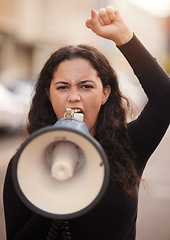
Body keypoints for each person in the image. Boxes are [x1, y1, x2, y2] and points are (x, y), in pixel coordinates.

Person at [3, 6, 170, 240]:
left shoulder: (128, 148)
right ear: (48, 94)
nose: (74, 96)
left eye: (86, 86)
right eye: (62, 87)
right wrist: (53, 200)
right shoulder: (24, 164)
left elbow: (165, 98)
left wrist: (124, 39)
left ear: (105, 94)